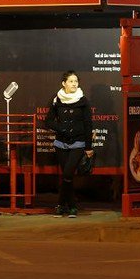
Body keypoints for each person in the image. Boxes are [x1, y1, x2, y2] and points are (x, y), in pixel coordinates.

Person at [45, 70, 94, 218]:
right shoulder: (56, 100)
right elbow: (48, 121)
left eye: (76, 81)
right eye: (71, 81)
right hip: (60, 143)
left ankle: (61, 204)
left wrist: (89, 147)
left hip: (78, 143)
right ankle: (71, 207)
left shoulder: (83, 100)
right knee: (68, 177)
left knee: (67, 173)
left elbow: (88, 124)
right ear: (64, 83)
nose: (74, 84)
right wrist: (62, 128)